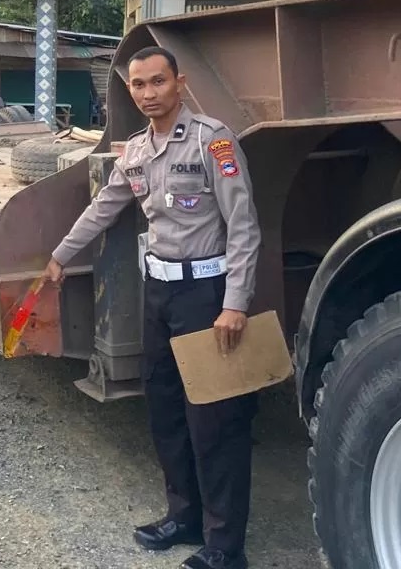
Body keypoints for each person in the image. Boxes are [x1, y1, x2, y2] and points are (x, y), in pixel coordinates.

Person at [44, 46, 261, 569]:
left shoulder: (214, 141)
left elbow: (244, 226)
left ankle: (226, 545)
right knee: (164, 411)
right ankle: (183, 516)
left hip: (206, 297)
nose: (147, 93)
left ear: (179, 83)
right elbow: (105, 208)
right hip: (158, 294)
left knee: (214, 421)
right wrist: (60, 255)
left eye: (157, 82)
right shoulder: (137, 151)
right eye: (138, 85)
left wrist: (235, 303)